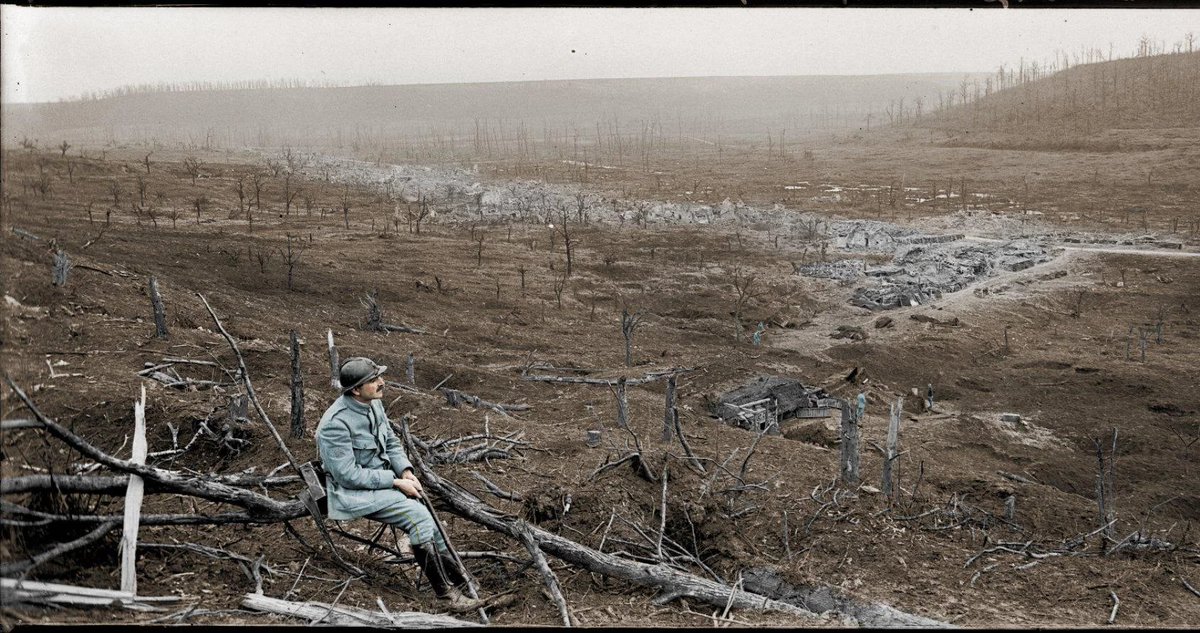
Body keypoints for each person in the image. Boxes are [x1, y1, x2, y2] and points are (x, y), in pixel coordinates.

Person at [316, 357, 486, 612]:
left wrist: (405, 470)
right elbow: (347, 476)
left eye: (378, 377)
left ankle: (462, 581)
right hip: (348, 493)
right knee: (418, 516)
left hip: (380, 482)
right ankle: (446, 596)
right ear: (355, 390)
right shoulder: (335, 424)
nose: (381, 382)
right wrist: (395, 482)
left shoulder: (372, 404)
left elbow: (392, 441)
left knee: (428, 519)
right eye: (373, 381)